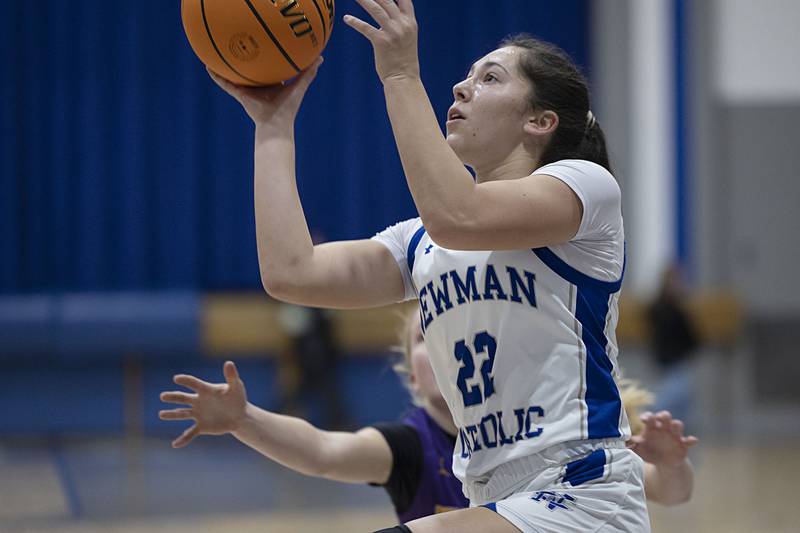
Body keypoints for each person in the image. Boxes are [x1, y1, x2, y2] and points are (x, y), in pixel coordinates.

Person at [203, 0, 647, 529]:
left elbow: (459, 215)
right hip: (493, 497)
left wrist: (399, 74)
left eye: (489, 78)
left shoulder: (586, 188)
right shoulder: (419, 241)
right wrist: (273, 127)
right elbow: (291, 273)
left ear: (539, 120)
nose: (460, 88)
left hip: (581, 495)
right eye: (467, 77)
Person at [160, 311, 697, 521]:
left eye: (456, 332)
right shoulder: (410, 446)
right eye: (425, 337)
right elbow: (323, 451)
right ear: (410, 375)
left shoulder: (546, 430)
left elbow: (670, 493)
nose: (443, 347)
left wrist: (672, 464)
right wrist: (246, 419)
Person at [647, 263, 700, 425]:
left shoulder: (680, 310)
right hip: (667, 362)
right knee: (668, 399)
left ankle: (678, 429)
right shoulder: (661, 309)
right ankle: (649, 422)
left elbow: (691, 336)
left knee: (682, 402)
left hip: (679, 361)